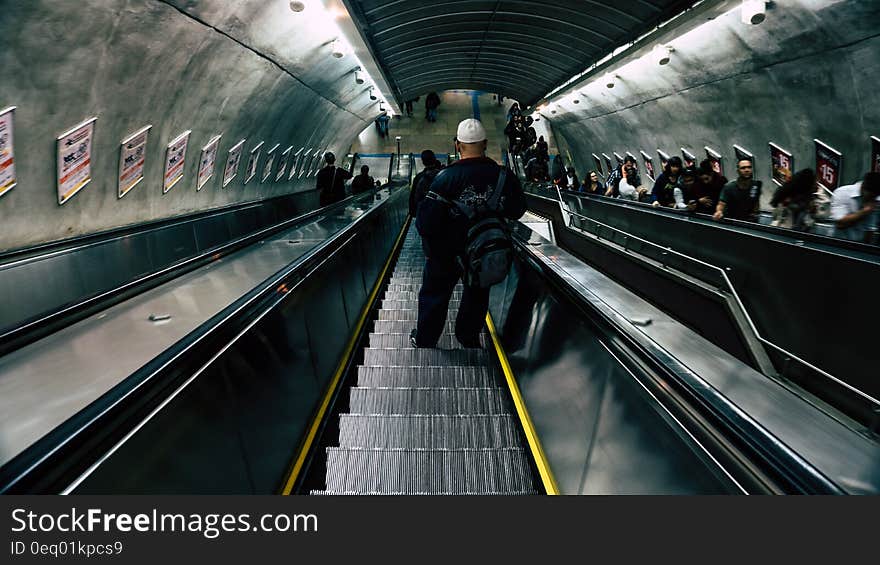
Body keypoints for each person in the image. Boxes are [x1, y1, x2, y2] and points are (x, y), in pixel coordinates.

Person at [412, 118, 526, 348]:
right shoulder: (503, 176)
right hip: (484, 251)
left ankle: (425, 339)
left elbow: (425, 224)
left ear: (457, 145)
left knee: (435, 296)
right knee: (477, 295)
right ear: (484, 143)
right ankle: (468, 338)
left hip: (445, 253)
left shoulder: (443, 179)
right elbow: (517, 210)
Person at [831, 172, 880, 243]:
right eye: (871, 196)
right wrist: (865, 211)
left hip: (860, 245)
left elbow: (870, 229)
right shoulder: (843, 193)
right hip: (839, 243)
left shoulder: (876, 199)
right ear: (863, 187)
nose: (873, 198)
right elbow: (840, 224)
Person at [409, 149, 444, 216]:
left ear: (423, 162)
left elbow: (413, 197)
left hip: (424, 214)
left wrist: (413, 213)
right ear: (434, 159)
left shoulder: (418, 177)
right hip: (440, 214)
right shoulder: (443, 175)